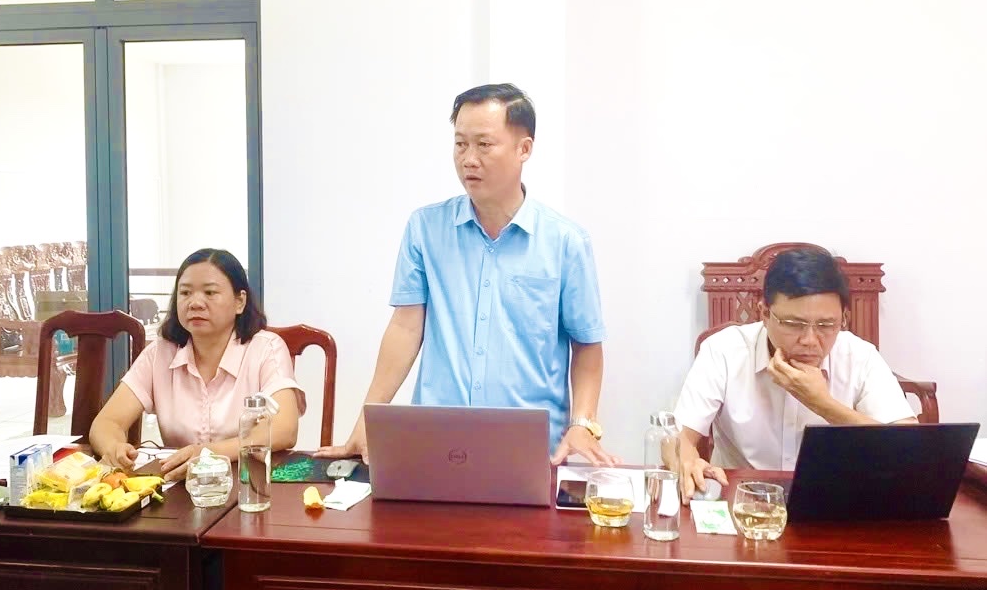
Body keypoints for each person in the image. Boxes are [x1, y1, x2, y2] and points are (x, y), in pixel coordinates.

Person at [316, 83, 616, 467]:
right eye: (460, 144)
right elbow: (406, 327)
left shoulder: (565, 242)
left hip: (530, 450)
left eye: (484, 145)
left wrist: (583, 423)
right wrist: (367, 417)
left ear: (524, 148)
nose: (468, 159)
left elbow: (586, 344)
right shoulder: (426, 228)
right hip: (438, 441)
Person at [673, 247, 917, 502]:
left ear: (844, 317)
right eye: (793, 324)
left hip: (836, 501)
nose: (810, 340)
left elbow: (909, 450)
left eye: (826, 325)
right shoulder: (724, 350)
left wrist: (822, 404)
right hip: (743, 501)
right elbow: (676, 437)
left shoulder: (860, 356)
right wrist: (686, 459)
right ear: (764, 313)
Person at [90, 248, 305, 482]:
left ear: (239, 302)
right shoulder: (160, 353)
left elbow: (285, 429)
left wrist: (207, 454)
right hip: (180, 488)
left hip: (248, 486)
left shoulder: (266, 348)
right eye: (185, 293)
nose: (195, 303)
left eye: (210, 292)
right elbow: (106, 422)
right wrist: (114, 448)